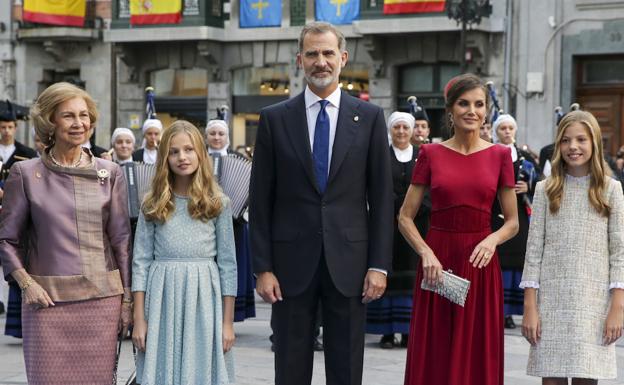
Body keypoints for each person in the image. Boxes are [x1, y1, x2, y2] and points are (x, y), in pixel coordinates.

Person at [249, 21, 393, 385]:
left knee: (346, 369)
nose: (320, 61)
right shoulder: (274, 119)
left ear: (343, 58)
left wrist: (379, 265)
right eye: (312, 53)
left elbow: (380, 199)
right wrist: (262, 267)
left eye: (328, 53)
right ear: (300, 60)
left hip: (351, 266)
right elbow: (261, 201)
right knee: (290, 369)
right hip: (289, 267)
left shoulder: (372, 119)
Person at [0, 82, 132, 383]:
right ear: (50, 121)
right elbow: (6, 240)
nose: (79, 123)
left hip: (102, 302)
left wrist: (127, 302)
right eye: (68, 115)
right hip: (47, 301)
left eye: (84, 115)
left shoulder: (109, 173)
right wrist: (26, 284)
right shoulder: (26, 174)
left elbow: (122, 241)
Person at [400, 73, 519, 385]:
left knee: (477, 350)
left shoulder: (500, 155)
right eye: (464, 103)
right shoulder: (430, 153)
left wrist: (492, 240)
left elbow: (512, 221)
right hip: (437, 264)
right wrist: (426, 252)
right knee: (436, 348)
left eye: (479, 104)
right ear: (450, 110)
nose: (472, 111)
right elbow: (405, 217)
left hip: (480, 263)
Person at [521, 110, 624, 384]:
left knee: (586, 377)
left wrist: (617, 307)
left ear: (594, 142)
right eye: (566, 140)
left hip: (593, 303)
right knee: (551, 378)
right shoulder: (545, 190)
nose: (573, 147)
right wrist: (530, 306)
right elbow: (533, 252)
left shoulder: (611, 190)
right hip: (551, 303)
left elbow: (619, 253)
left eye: (581, 139)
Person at [132, 120, 237, 385]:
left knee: (201, 370)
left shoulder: (218, 203)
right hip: (162, 298)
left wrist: (227, 323)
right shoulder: (153, 203)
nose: (182, 157)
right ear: (164, 157)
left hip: (203, 297)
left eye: (189, 149)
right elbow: (140, 261)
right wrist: (139, 318)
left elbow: (228, 265)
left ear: (201, 153)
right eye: (174, 151)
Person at [366, 111, 429, 349]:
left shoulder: (422, 156)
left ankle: (409, 331)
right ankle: (387, 332)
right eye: (396, 128)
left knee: (414, 278)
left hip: (418, 226)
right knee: (386, 274)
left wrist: (413, 208)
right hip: (388, 226)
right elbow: (376, 187)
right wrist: (397, 207)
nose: (401, 132)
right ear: (390, 131)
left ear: (412, 130)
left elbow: (430, 188)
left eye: (405, 127)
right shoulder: (381, 155)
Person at [205, 119, 256, 322]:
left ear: (227, 137)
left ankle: (231, 315)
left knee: (231, 267)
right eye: (213, 133)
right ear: (206, 136)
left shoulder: (239, 159)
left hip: (234, 225)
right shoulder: (200, 158)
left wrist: (244, 204)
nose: (217, 138)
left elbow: (251, 188)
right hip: (204, 222)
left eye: (221, 134)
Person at [491, 114, 538, 329]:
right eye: (503, 128)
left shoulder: (524, 156)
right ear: (496, 131)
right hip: (495, 215)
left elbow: (540, 182)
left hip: (518, 214)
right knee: (499, 263)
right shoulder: (489, 153)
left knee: (517, 262)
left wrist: (529, 188)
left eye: (510, 128)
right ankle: (498, 310)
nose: (507, 132)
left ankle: (510, 312)